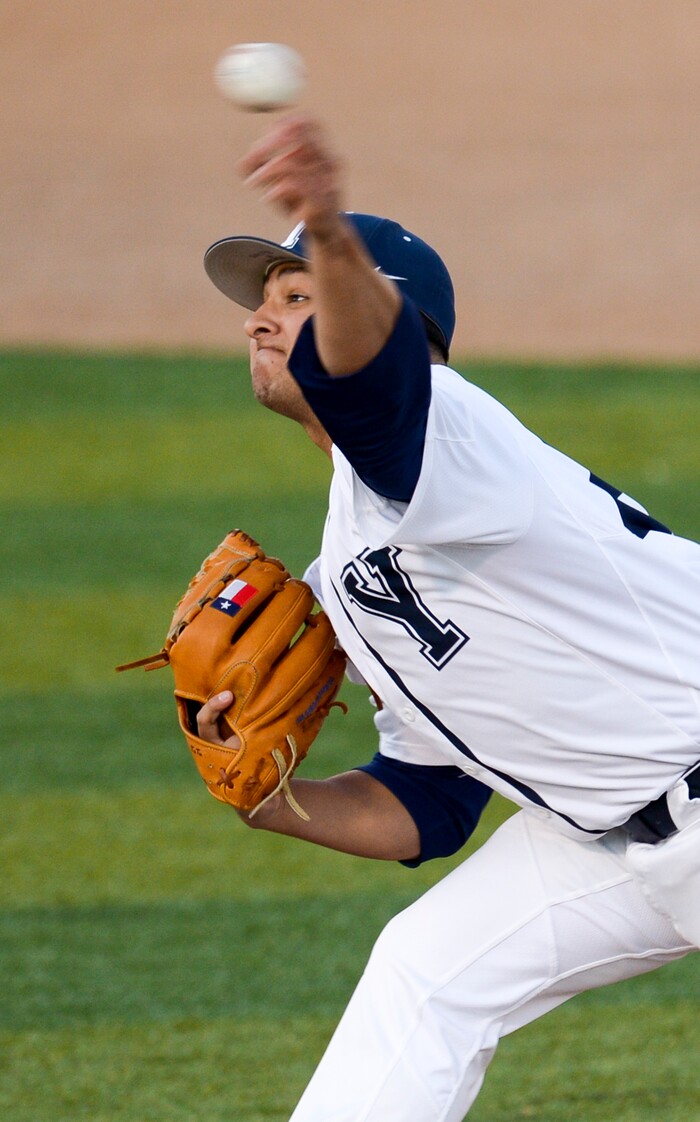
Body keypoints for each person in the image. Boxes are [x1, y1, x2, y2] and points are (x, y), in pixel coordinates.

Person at [196, 115, 700, 1121]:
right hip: (611, 839)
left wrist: (326, 225)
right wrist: (268, 797)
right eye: (262, 301)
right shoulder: (352, 554)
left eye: (294, 299)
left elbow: (373, 389)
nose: (260, 319)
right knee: (424, 973)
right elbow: (425, 803)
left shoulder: (442, 427)